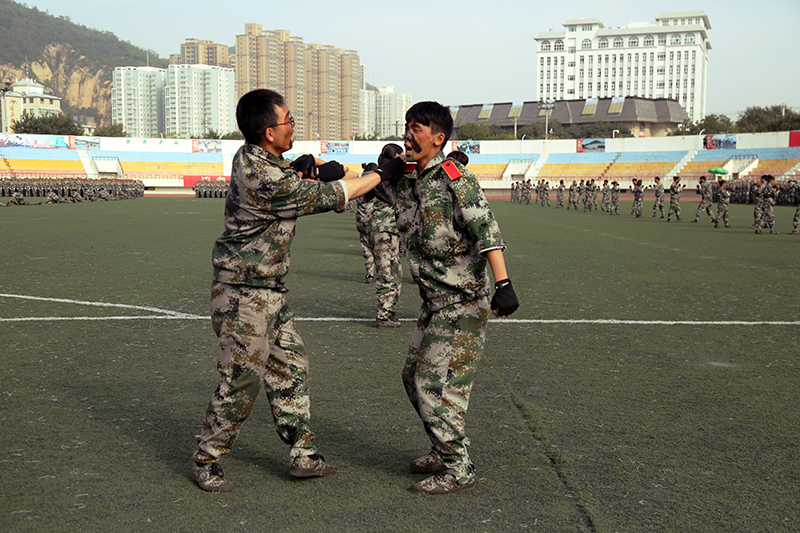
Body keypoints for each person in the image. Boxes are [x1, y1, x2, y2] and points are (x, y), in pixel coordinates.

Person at [190, 89, 404, 493]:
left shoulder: (253, 157)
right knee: (241, 380)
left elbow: (296, 174)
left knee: (291, 368)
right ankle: (207, 458)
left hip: (268, 292)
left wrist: (306, 164)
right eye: (289, 121)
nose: (294, 127)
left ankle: (303, 454)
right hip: (243, 295)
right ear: (269, 131)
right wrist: (381, 175)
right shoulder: (265, 177)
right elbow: (330, 195)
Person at [374, 101, 519, 495]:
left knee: (432, 384)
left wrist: (503, 285)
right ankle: (444, 449)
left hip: (462, 303)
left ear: (438, 139)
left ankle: (458, 466)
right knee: (412, 378)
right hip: (433, 303)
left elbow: (487, 231)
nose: (408, 132)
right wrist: (378, 171)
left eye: (417, 128)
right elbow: (367, 192)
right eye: (406, 125)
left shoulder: (457, 180)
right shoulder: (406, 179)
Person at [373, 144, 405, 328]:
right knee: (386, 273)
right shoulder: (383, 174)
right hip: (384, 229)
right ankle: (383, 315)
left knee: (395, 273)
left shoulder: (388, 173)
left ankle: (389, 309)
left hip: (392, 230)